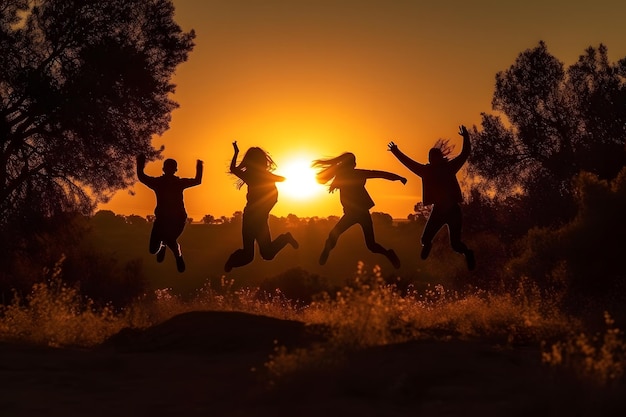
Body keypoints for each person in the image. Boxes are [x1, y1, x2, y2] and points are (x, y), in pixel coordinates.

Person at [387, 125, 475, 271]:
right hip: (447, 210)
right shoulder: (441, 168)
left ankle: (467, 253)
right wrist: (466, 137)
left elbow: (465, 153)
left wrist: (396, 152)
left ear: (435, 158)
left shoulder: (430, 170)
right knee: (443, 242)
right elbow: (465, 153)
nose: (431, 160)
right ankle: (464, 252)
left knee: (449, 243)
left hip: (447, 210)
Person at [312, 152, 407, 268]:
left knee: (335, 235)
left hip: (357, 214)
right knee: (370, 245)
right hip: (358, 213)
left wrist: (397, 178)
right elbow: (379, 174)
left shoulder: (342, 175)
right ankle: (388, 253)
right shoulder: (345, 175)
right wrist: (398, 178)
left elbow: (378, 174)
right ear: (352, 164)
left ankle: (327, 250)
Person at [225, 141, 298, 272]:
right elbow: (233, 169)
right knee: (253, 255)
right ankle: (232, 261)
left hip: (258, 219)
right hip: (251, 219)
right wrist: (272, 177)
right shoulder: (253, 175)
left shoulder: (257, 176)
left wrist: (271, 177)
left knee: (265, 254)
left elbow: (233, 169)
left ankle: (285, 238)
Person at [136, 154, 203, 272]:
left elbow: (142, 176)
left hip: (177, 219)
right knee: (153, 250)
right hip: (162, 220)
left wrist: (140, 162)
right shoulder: (161, 182)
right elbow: (197, 180)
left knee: (169, 238)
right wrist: (199, 166)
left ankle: (178, 255)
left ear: (172, 170)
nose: (169, 170)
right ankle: (163, 245)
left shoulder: (174, 183)